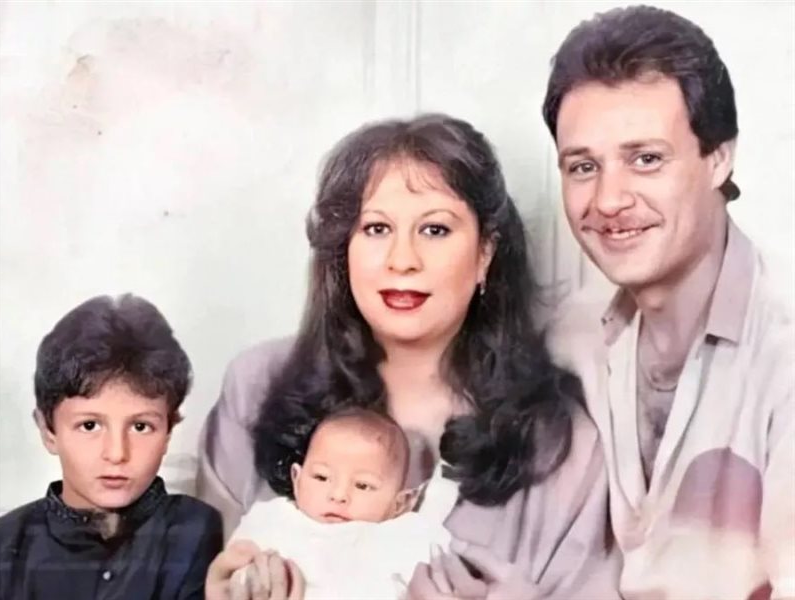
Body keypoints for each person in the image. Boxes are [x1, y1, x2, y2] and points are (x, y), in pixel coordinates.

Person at [198, 114, 618, 600]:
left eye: (435, 230)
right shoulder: (256, 386)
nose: (402, 260)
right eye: (376, 228)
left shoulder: (563, 445)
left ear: (485, 252)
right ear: (343, 250)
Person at [540, 6, 795, 600]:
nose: (608, 200)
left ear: (719, 158)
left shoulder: (785, 350)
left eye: (646, 159)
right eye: (583, 166)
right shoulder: (568, 337)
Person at [0, 294, 224, 600]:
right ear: (48, 430)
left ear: (168, 431)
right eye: (90, 425)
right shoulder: (4, 546)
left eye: (141, 427)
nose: (117, 453)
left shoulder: (195, 530)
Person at [228, 408, 457, 600]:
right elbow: (234, 570)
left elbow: (440, 571)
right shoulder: (274, 519)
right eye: (321, 477)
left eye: (362, 485)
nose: (338, 495)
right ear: (297, 479)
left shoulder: (403, 534)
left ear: (400, 503)